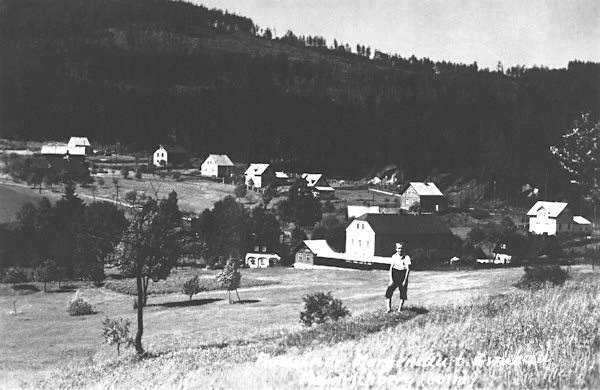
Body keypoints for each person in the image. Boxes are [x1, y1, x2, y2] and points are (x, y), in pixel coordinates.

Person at [385, 242, 411, 312]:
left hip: (402, 274)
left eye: (401, 248)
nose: (400, 250)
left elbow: (408, 269)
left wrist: (405, 280)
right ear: (396, 249)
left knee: (403, 292)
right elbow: (391, 268)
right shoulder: (394, 256)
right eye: (398, 248)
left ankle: (399, 309)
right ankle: (388, 309)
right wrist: (391, 279)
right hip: (395, 273)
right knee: (389, 292)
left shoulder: (406, 257)